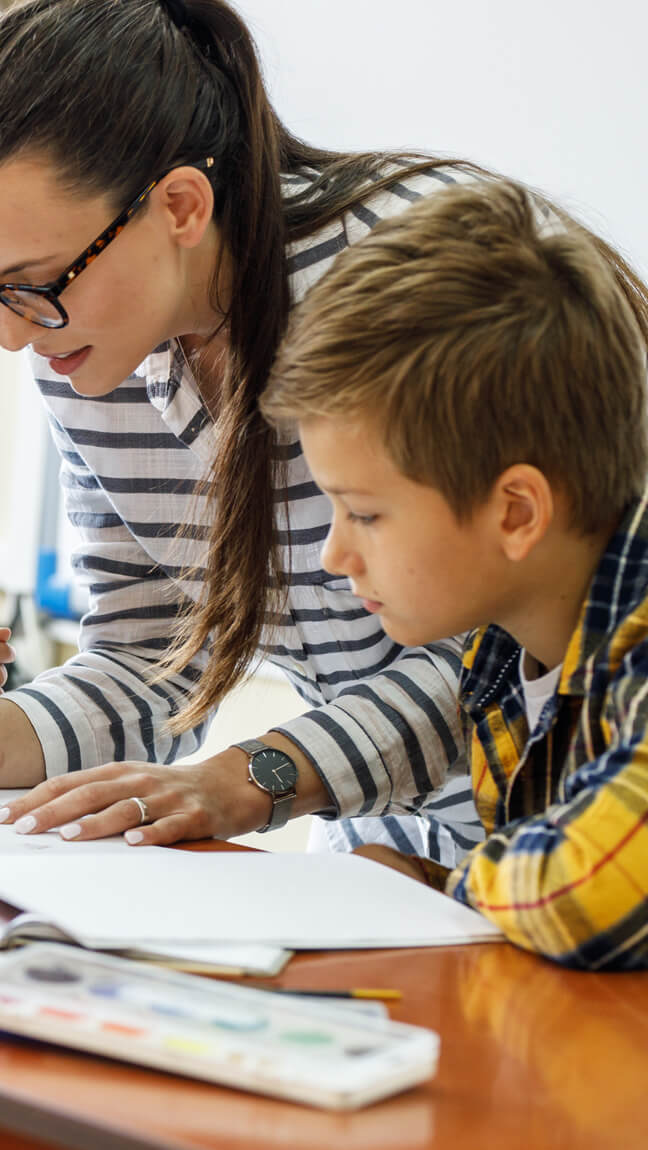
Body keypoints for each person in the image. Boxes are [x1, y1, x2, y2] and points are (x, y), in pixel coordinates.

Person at [0, 0, 483, 861]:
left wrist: (252, 778)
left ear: (179, 206)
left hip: (583, 826)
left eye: (32, 284)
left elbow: (507, 656)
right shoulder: (89, 346)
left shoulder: (403, 281)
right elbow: (146, 663)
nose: (14, 335)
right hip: (393, 845)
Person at [262, 179, 648, 971]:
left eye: (363, 513)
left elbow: (595, 888)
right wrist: (420, 883)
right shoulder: (503, 657)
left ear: (515, 513)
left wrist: (442, 891)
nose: (335, 556)